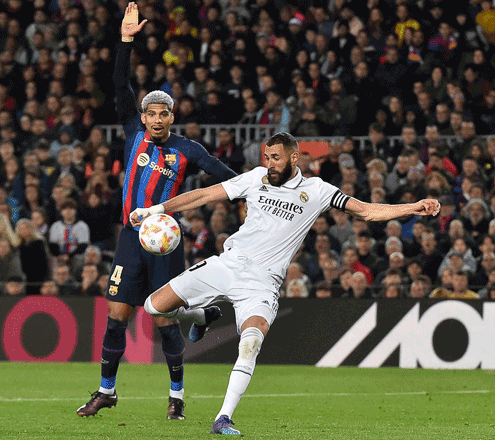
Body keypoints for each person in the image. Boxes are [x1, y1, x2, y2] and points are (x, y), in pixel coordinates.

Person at [130, 131, 440, 436]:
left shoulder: (317, 190)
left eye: (275, 158)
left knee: (250, 343)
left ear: (294, 158)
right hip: (226, 265)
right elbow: (204, 195)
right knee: (153, 307)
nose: (269, 164)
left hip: (262, 283)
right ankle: (203, 315)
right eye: (266, 157)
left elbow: (367, 211)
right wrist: (155, 210)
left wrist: (412, 208)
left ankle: (223, 418)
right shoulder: (255, 178)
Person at [76, 3, 237, 420]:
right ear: (144, 116)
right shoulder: (132, 132)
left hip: (165, 242)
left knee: (164, 321)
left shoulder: (187, 149)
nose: (158, 118)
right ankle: (106, 391)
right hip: (131, 239)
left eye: (165, 113)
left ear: (171, 116)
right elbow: (118, 83)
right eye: (152, 113)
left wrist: (262, 188)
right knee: (117, 316)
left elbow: (225, 177)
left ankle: (177, 397)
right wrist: (126, 40)